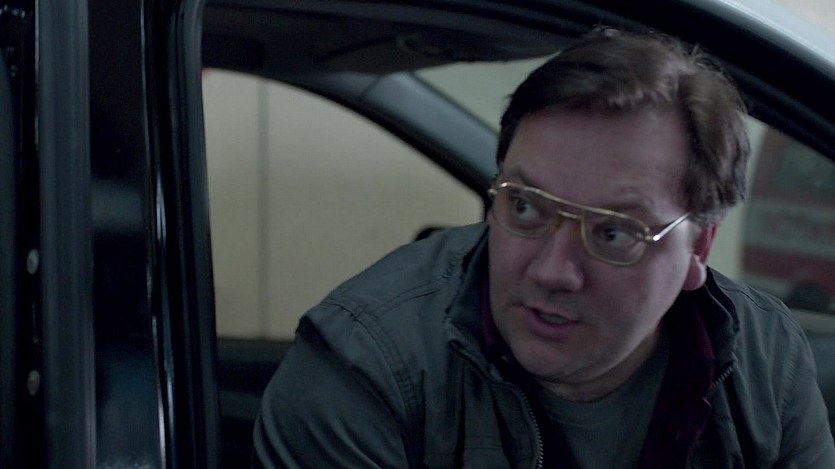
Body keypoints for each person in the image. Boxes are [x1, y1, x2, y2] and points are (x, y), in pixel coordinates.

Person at [253, 28, 835, 468]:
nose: (553, 271)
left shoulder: (765, 359)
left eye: (613, 232)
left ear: (698, 248)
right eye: (526, 207)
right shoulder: (366, 367)